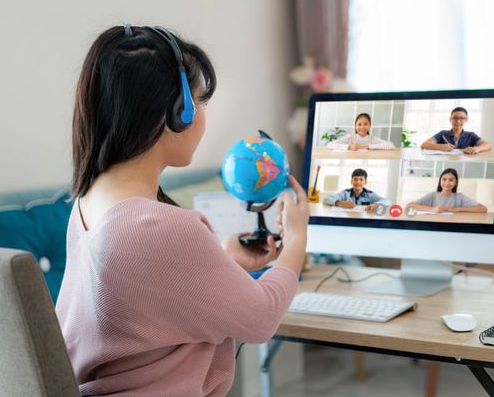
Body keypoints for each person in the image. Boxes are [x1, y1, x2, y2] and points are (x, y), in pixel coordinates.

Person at [55, 24, 309, 396]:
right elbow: (262, 319)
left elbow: (137, 310)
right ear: (178, 114)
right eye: (201, 101)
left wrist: (222, 260)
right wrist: (298, 237)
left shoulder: (86, 203)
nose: (203, 114)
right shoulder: (159, 226)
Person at [406, 168, 487, 213]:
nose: (447, 183)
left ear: (456, 182)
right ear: (440, 181)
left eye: (451, 180)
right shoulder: (432, 195)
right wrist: (432, 209)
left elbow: (483, 209)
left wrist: (456, 209)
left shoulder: (459, 197)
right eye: (444, 179)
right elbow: (408, 206)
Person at [420, 107, 491, 154]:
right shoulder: (443, 134)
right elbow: (424, 145)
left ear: (466, 120)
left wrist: (476, 149)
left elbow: (488, 145)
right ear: (450, 119)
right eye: (455, 118)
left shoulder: (470, 135)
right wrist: (441, 147)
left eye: (462, 118)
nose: (458, 121)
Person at [322, 168, 391, 213]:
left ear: (365, 182)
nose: (358, 182)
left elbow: (387, 201)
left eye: (361, 179)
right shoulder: (345, 193)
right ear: (351, 181)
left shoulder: (370, 195)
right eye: (355, 179)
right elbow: (326, 199)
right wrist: (341, 203)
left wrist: (375, 204)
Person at [326, 113, 395, 150]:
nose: (362, 127)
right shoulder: (350, 137)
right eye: (359, 124)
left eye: (365, 124)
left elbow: (391, 146)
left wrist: (367, 146)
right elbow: (329, 144)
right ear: (355, 126)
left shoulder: (372, 138)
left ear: (369, 125)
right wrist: (349, 147)